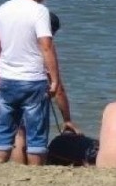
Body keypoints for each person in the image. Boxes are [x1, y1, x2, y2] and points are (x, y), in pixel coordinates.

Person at [0, 0, 63, 165]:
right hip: (32, 78)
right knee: (36, 134)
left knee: (5, 129)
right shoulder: (39, 11)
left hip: (7, 77)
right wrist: (54, 80)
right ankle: (35, 173)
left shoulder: (2, 9)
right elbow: (46, 46)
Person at [11, 12, 78, 164]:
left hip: (8, 84)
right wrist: (67, 119)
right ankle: (35, 169)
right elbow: (58, 89)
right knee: (35, 133)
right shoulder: (45, 47)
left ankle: (16, 168)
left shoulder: (18, 39)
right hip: (33, 88)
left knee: (19, 132)